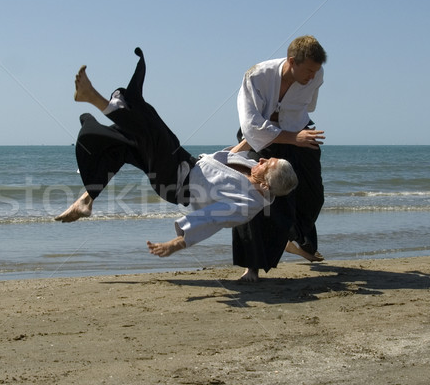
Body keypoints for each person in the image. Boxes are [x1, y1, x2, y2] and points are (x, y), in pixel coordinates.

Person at [55, 48, 298, 261]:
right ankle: (86, 200)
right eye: (268, 158)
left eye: (268, 164)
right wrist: (256, 136)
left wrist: (178, 243)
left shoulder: (247, 205)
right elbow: (230, 156)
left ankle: (93, 98)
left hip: (174, 182)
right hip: (186, 162)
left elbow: (211, 219)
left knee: (153, 133)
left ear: (266, 183)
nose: (263, 159)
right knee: (128, 140)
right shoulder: (253, 170)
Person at [233, 35, 327, 282]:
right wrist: (290, 136)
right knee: (252, 195)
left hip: (299, 132)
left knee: (314, 196)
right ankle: (250, 267)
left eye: (316, 71)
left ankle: (296, 239)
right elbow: (251, 127)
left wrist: (296, 135)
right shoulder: (256, 76)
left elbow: (309, 107)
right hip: (262, 139)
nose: (312, 76)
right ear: (292, 61)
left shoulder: (316, 76)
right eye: (308, 70)